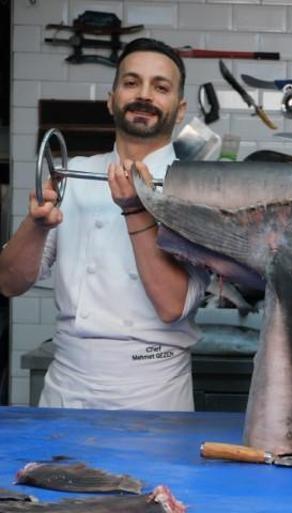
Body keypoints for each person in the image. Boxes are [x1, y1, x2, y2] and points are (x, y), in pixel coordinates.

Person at [0, 38, 210, 411]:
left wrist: (133, 210)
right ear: (111, 99)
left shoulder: (197, 188)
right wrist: (37, 227)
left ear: (179, 110)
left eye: (160, 87)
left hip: (154, 394)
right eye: (131, 83)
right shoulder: (74, 174)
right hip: (68, 389)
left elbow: (171, 306)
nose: (144, 95)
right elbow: (8, 282)